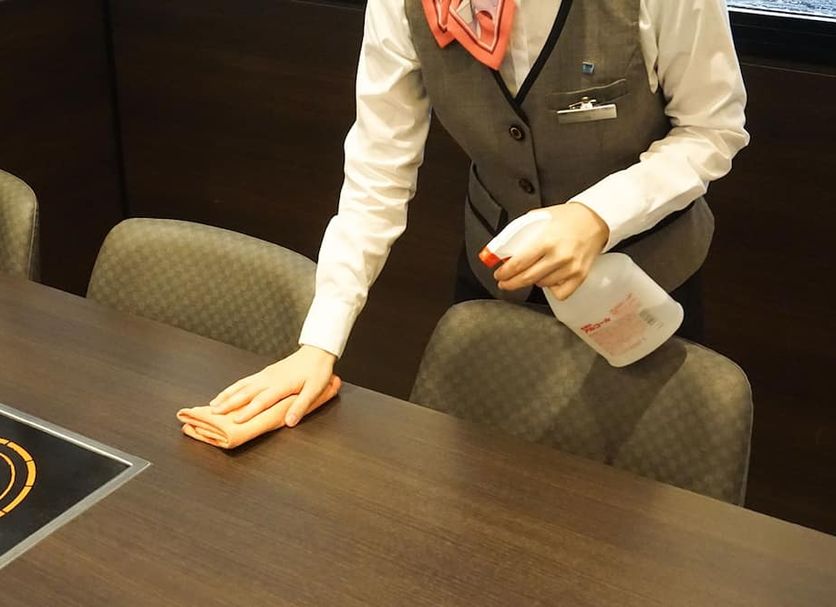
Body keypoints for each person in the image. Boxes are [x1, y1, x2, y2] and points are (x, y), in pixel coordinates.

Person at [210, 0, 749, 427]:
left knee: (634, 494)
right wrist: (319, 343)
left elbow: (711, 130)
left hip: (647, 278)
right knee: (484, 479)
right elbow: (378, 170)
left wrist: (597, 215)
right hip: (497, 275)